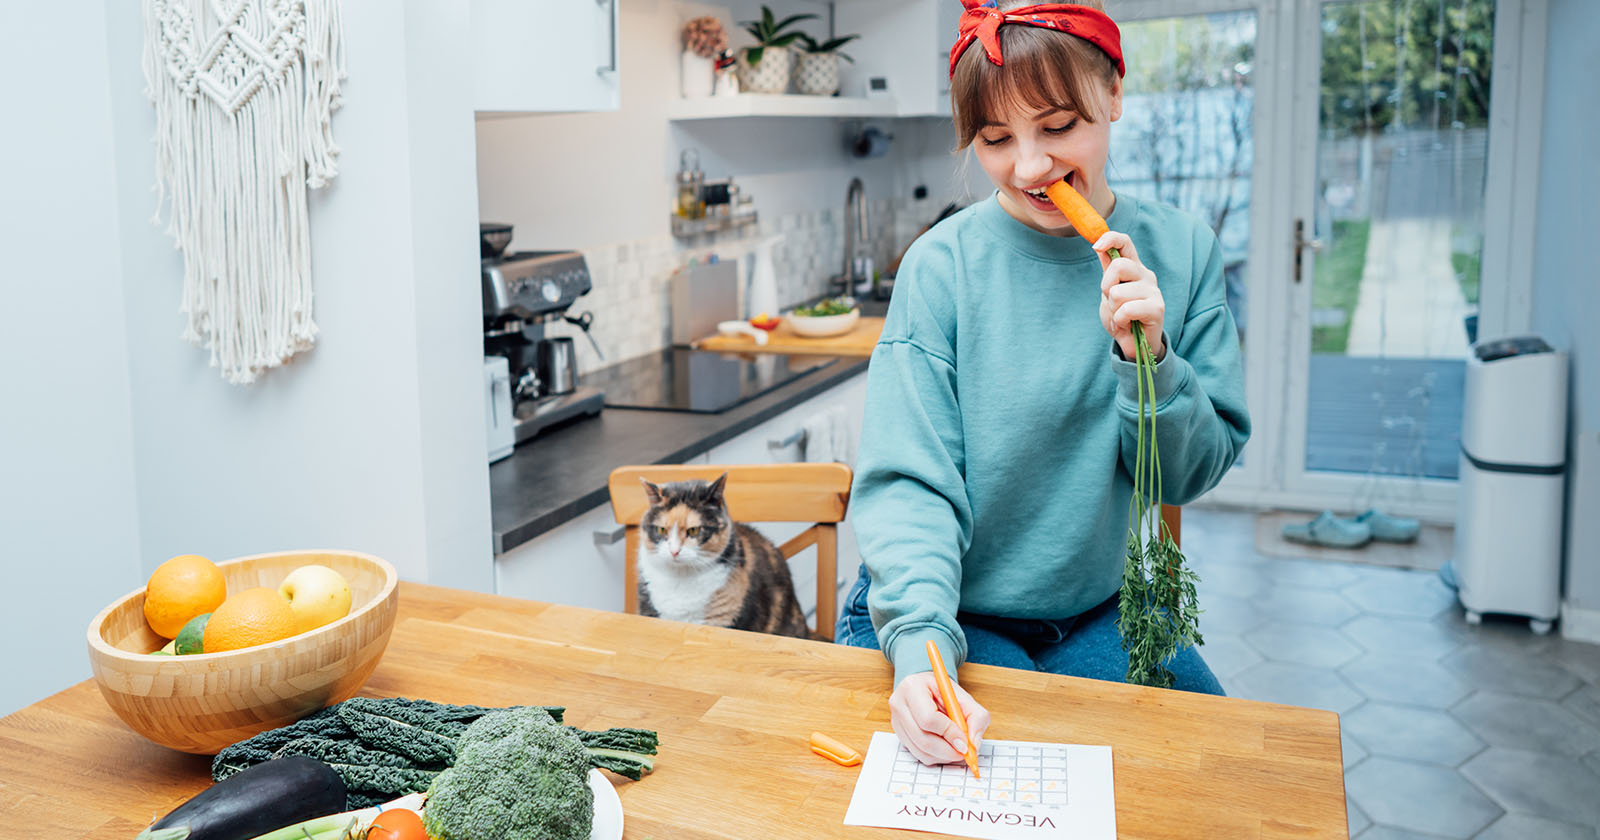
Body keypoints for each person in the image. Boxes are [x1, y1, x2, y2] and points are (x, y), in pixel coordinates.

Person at [835, 0, 1251, 769]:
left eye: (1058, 128)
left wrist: (1149, 361)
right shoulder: (941, 267)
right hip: (950, 609)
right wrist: (923, 642)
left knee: (1213, 779)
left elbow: (1191, 473)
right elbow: (909, 487)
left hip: (1102, 615)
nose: (1030, 167)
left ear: (1114, 96)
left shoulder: (1184, 252)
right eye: (996, 140)